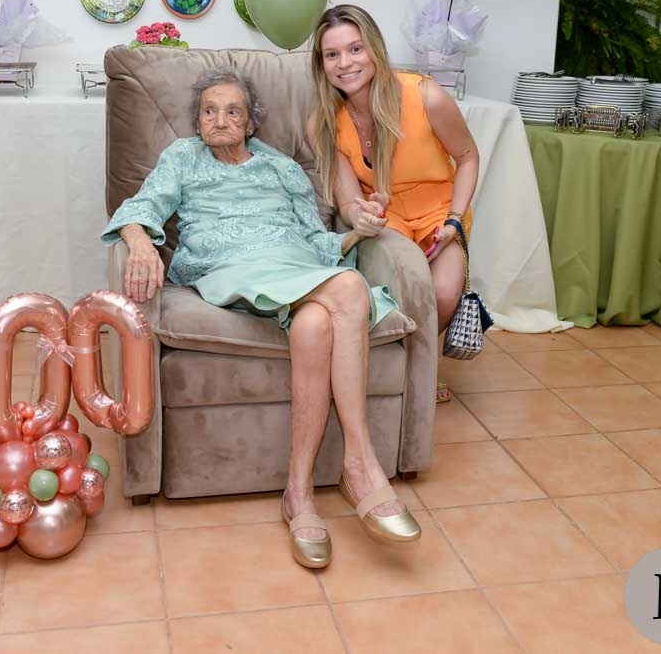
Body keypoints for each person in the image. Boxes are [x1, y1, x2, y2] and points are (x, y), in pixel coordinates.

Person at [101, 66, 421, 569]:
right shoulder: (182, 157)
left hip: (295, 264)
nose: (219, 120)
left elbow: (315, 239)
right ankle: (361, 463)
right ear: (198, 120)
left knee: (316, 322)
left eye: (233, 112)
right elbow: (139, 207)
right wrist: (140, 242)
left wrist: (359, 231)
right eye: (209, 111)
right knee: (349, 287)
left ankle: (299, 493)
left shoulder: (281, 168)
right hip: (230, 265)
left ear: (251, 123)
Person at [307, 5, 480, 402]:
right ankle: (407, 378)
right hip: (389, 219)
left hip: (440, 212)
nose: (345, 63)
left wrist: (455, 220)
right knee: (401, 295)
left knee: (442, 294)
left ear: (375, 49)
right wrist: (360, 215)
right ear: (321, 64)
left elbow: (468, 157)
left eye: (355, 49)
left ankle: (419, 370)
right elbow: (348, 199)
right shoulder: (322, 124)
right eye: (332, 54)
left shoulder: (425, 95)